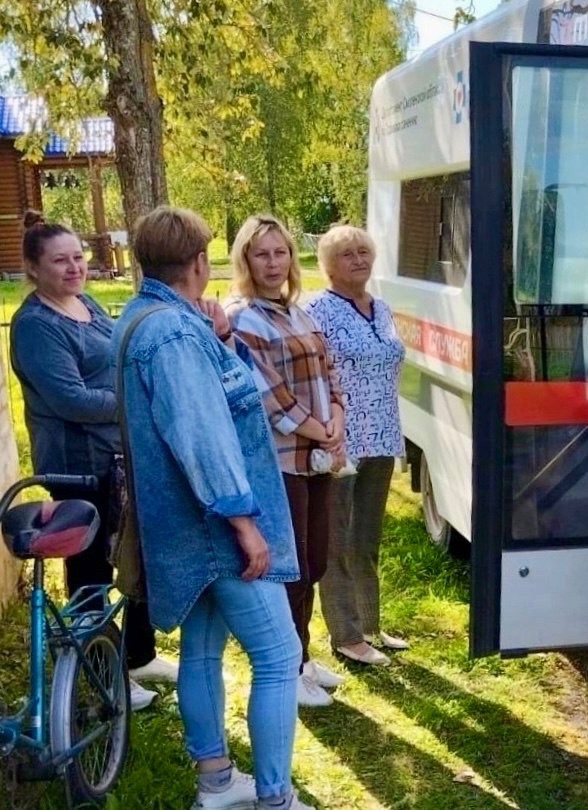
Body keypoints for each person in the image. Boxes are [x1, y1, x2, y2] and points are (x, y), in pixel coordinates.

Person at [113, 206, 309, 810]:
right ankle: (275, 798)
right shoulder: (171, 333)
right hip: (214, 528)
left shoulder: (148, 317)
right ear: (200, 261)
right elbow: (203, 438)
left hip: (184, 525)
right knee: (280, 655)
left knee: (202, 650)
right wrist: (246, 527)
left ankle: (218, 783)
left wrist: (220, 340)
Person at [10, 210, 176, 712]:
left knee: (137, 555)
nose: (73, 267)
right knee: (92, 570)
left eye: (78, 256)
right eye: (59, 260)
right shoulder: (36, 325)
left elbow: (118, 360)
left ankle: (137, 655)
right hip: (79, 465)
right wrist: (139, 401)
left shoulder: (86, 304)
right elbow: (72, 400)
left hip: (121, 455)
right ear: (34, 269)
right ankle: (106, 676)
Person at [226, 214, 346, 707]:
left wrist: (337, 417)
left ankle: (304, 656)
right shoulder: (242, 318)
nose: (273, 263)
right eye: (262, 254)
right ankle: (288, 668)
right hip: (282, 460)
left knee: (315, 559)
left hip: (319, 456)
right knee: (292, 567)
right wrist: (323, 433)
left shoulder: (300, 312)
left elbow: (329, 370)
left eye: (281, 253)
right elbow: (267, 395)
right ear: (245, 261)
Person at [306, 224, 408, 667]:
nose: (359, 259)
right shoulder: (315, 310)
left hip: (383, 435)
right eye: (347, 254)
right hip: (341, 442)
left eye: (364, 251)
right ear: (328, 265)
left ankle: (370, 625)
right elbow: (310, 376)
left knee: (366, 539)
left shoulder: (381, 308)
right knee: (337, 541)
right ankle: (345, 636)